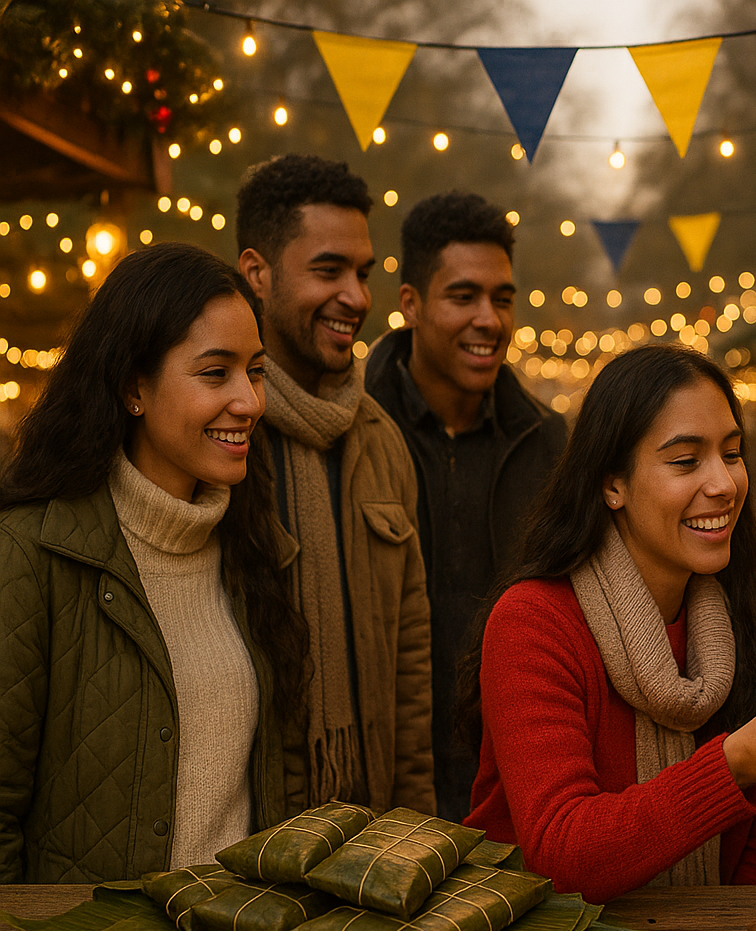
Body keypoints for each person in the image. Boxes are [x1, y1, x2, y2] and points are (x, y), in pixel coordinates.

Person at [464, 345, 756, 902]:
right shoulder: (533, 623)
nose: (724, 484)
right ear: (612, 482)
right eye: (686, 461)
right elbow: (563, 851)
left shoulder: (755, 612)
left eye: (732, 454)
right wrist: (730, 767)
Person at [0, 243, 307, 882]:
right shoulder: (31, 553)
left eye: (254, 371)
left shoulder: (254, 552)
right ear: (134, 387)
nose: (249, 401)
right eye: (214, 372)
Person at [236, 154, 433, 814]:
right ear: (257, 274)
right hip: (248, 837)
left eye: (363, 273)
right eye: (328, 270)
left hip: (371, 831)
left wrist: (413, 825)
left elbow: (410, 663)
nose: (356, 296)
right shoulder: (222, 433)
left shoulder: (381, 441)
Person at [365, 191, 566, 824]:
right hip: (379, 778)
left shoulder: (547, 441)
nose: (490, 319)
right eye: (464, 296)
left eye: (502, 299)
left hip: (510, 781)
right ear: (411, 305)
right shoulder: (354, 431)